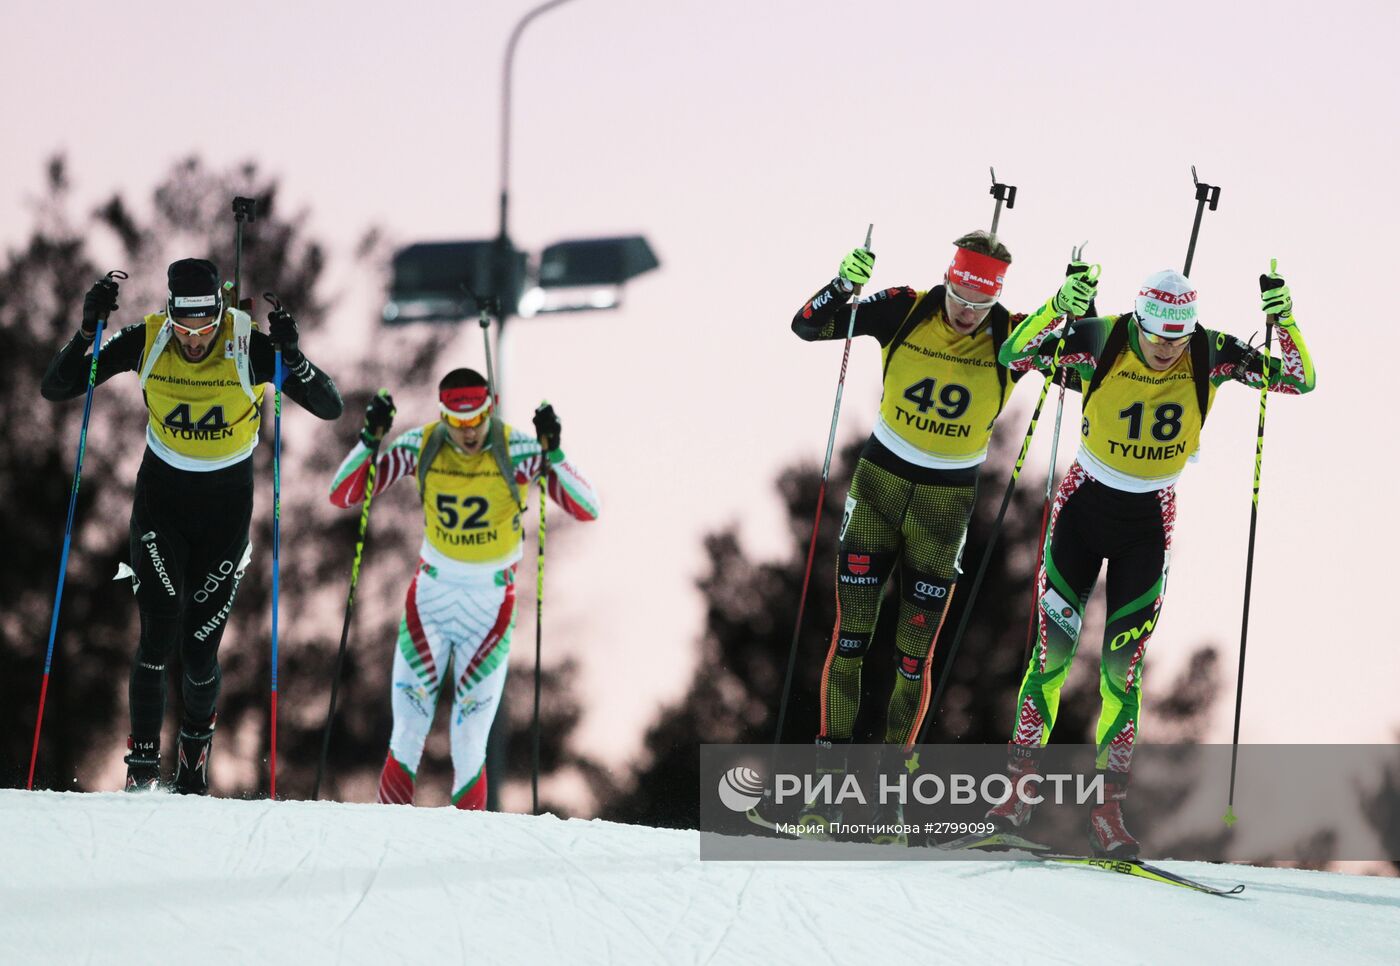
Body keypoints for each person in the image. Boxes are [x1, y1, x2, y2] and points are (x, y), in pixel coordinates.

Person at [989, 264, 1316, 857]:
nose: (1166, 349)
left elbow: (1298, 380)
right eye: (1157, 335)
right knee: (1052, 656)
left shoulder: (1210, 351)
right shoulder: (1104, 337)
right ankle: (1017, 794)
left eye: (1178, 338)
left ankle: (1107, 810)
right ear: (1138, 320)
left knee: (1122, 671)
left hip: (1148, 522)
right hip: (1083, 508)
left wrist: (1283, 318)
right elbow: (1016, 350)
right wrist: (1060, 303)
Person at [790, 232, 1098, 834]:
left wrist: (1077, 306)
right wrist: (843, 284)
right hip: (879, 484)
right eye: (959, 294)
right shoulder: (907, 305)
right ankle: (822, 801)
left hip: (945, 503)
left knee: (913, 657)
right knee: (850, 637)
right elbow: (807, 326)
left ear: (997, 299)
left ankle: (891, 799)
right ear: (948, 277)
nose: (964, 311)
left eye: (978, 304)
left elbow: (1084, 378)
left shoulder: (1015, 332)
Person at [40, 258, 344, 793]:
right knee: (157, 632)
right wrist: (87, 330)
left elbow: (330, 405)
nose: (194, 340)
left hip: (226, 509)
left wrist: (293, 357)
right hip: (162, 500)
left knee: (200, 647)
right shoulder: (148, 340)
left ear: (219, 315)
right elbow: (57, 387)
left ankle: (193, 760)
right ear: (171, 314)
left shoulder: (247, 348)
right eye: (184, 328)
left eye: (204, 329)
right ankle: (140, 769)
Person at [328, 370, 600, 810]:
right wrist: (368, 439)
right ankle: (384, 837)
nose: (469, 432)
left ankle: (464, 849)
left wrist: (555, 451)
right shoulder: (425, 444)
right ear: (443, 415)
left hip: (489, 608)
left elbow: (587, 507)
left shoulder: (517, 450)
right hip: (431, 598)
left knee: (471, 739)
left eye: (476, 420)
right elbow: (343, 495)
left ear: (490, 408)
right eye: (458, 421)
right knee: (408, 728)